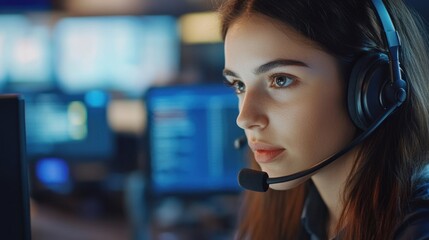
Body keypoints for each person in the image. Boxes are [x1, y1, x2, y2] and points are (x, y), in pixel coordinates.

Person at [218, 0, 429, 239]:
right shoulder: (292, 213)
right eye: (239, 85)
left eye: (281, 80)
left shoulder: (417, 231)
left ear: (374, 89)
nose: (245, 119)